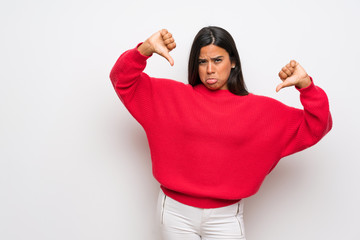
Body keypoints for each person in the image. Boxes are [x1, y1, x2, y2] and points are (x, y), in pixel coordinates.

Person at [109, 26, 332, 240]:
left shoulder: (261, 111)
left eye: (217, 60)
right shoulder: (169, 96)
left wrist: (307, 86)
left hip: (226, 217)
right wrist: (144, 50)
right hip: (174, 214)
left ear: (233, 61)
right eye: (202, 61)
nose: (209, 70)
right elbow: (122, 79)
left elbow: (318, 124)